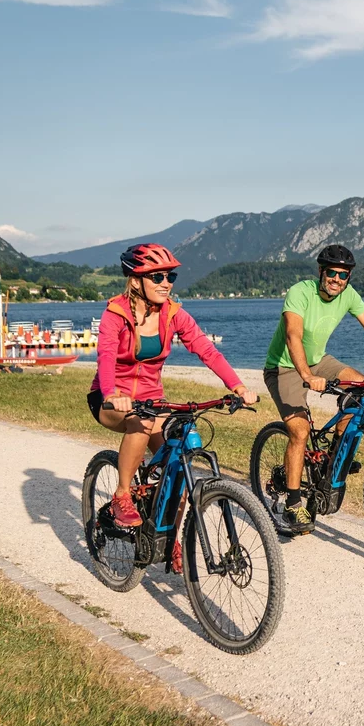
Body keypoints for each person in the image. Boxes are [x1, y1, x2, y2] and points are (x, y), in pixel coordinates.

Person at [89, 243, 257, 570]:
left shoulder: (172, 313)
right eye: (158, 276)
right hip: (112, 399)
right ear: (136, 280)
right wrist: (111, 392)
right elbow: (106, 356)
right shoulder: (116, 314)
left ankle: (167, 538)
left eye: (171, 276)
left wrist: (236, 385)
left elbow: (206, 350)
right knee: (139, 422)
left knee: (179, 461)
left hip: (153, 399)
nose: (166, 282)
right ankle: (122, 494)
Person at [263, 244, 364, 532]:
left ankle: (333, 463)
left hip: (319, 361)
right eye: (332, 273)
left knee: (360, 387)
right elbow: (293, 335)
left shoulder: (348, 295)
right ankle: (293, 505)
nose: (337, 279)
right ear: (321, 272)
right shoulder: (300, 292)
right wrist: (306, 375)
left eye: (343, 275)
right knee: (300, 431)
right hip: (283, 366)